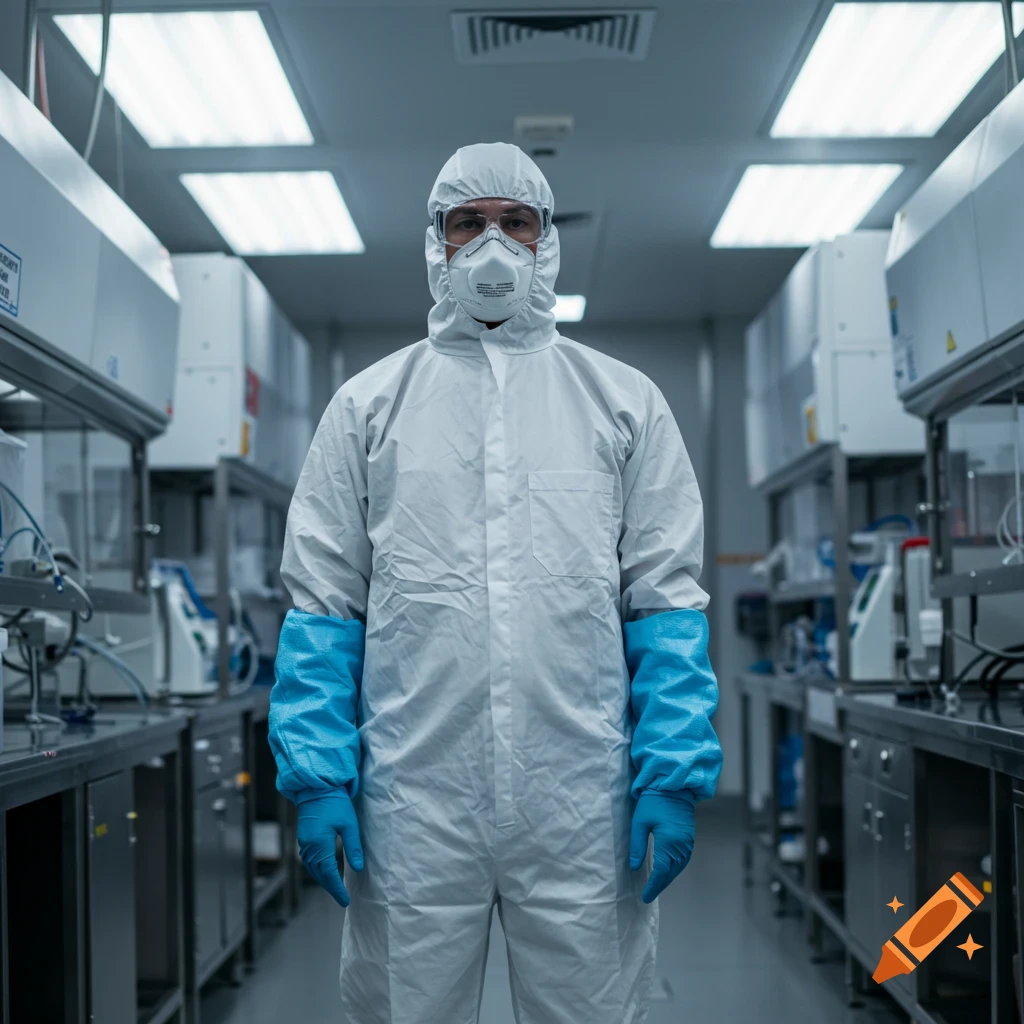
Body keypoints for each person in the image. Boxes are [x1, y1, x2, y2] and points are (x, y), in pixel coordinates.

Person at [269, 142, 723, 1024]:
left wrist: (670, 771)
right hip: (413, 798)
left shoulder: (622, 401)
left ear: (547, 241)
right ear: (434, 242)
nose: (491, 246)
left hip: (581, 797)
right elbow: (324, 606)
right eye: (466, 223)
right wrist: (319, 776)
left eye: (515, 223)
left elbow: (665, 601)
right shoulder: (369, 408)